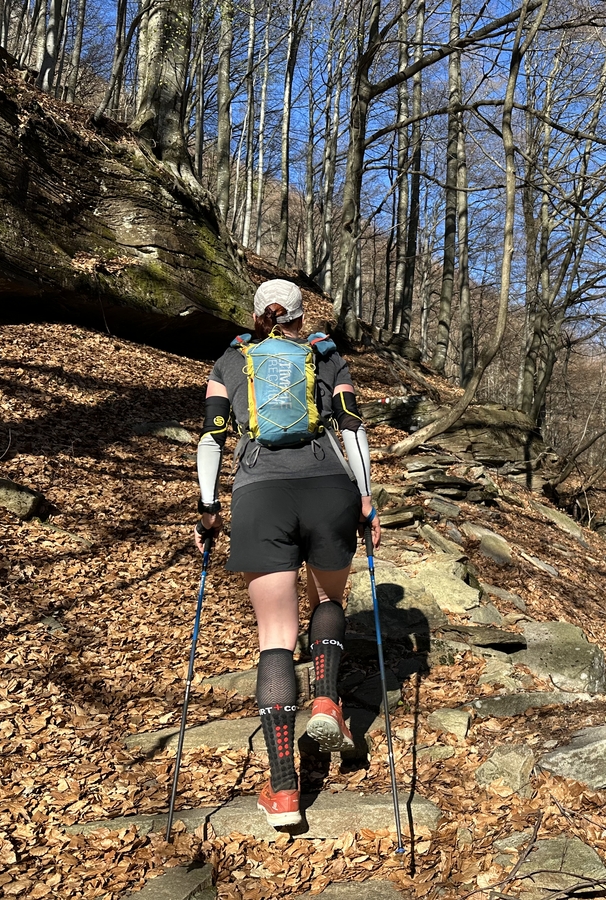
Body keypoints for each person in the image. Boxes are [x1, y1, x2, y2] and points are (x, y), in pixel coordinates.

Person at [193, 278, 381, 827]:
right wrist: (366, 499)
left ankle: (283, 790)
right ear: (301, 316)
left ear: (256, 314)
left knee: (275, 635)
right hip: (329, 489)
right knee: (329, 598)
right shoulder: (325, 355)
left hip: (260, 495)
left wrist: (208, 507)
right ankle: (326, 700)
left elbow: (211, 437)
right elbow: (352, 429)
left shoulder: (231, 361)